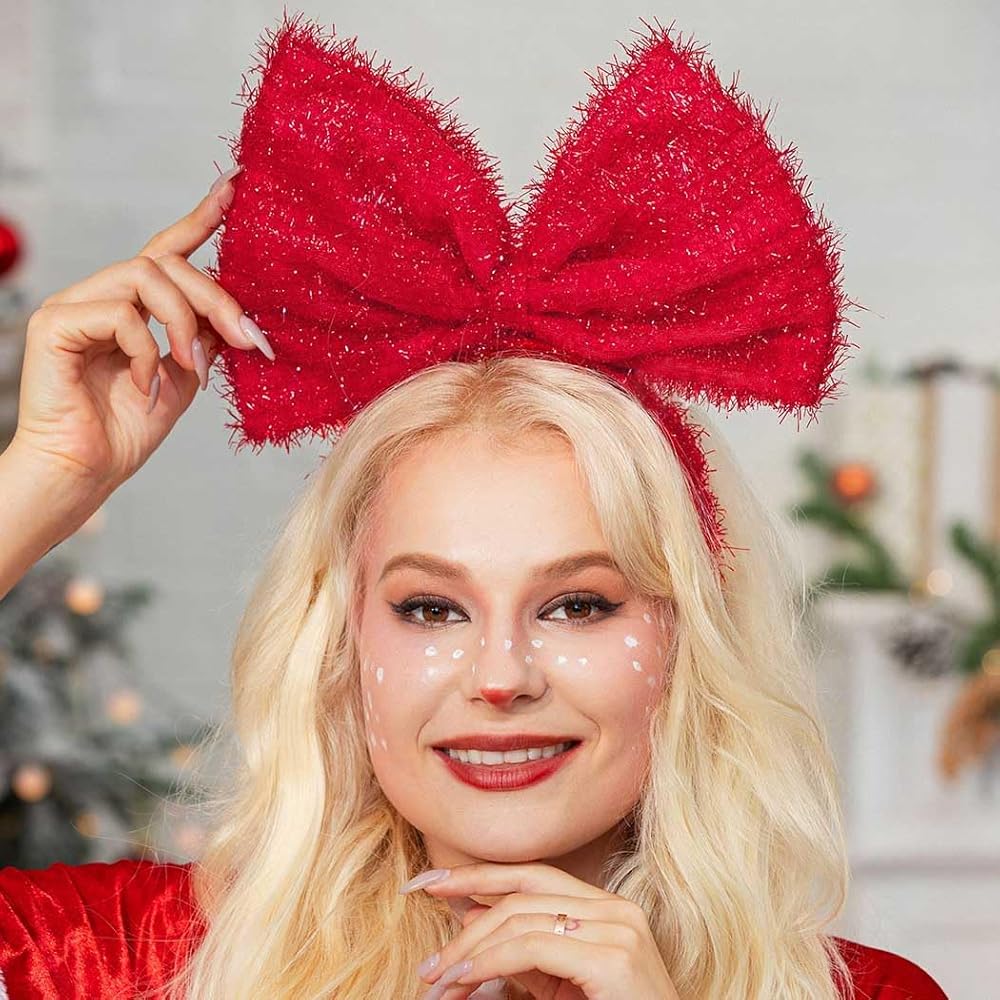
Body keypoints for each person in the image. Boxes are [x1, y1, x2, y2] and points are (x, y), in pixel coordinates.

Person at [0, 13, 951, 1000]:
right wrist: (43, 478)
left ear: (688, 641)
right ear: (341, 642)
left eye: (578, 604)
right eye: (429, 608)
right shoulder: (121, 959)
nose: (500, 677)